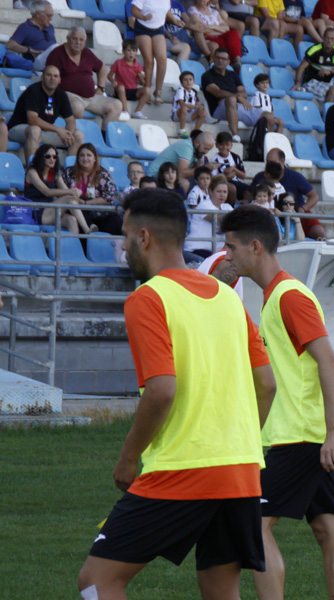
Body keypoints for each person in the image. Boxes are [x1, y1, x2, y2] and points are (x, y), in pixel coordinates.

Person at [77, 189, 276, 599]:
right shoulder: (225, 296)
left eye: (126, 235)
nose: (123, 245)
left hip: (184, 468)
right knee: (221, 588)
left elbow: (161, 391)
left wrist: (128, 457)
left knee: (97, 581)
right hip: (241, 468)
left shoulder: (148, 298)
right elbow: (266, 384)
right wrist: (237, 441)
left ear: (144, 238)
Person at [218, 205, 334, 600]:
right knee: (329, 529)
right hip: (310, 434)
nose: (227, 255)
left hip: (299, 437)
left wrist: (331, 433)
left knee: (254, 524)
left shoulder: (288, 296)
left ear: (254, 247)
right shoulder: (275, 294)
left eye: (231, 248)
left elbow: (327, 358)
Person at [8, 64, 83, 159]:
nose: (52, 78)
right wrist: (58, 129)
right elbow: (33, 120)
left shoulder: (61, 94)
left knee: (78, 135)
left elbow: (70, 120)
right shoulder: (33, 91)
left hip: (43, 132)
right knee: (35, 130)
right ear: (42, 77)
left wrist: (69, 134)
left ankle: (69, 171)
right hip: (19, 129)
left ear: (60, 80)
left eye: (56, 76)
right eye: (49, 75)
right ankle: (32, 170)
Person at [24, 143, 86, 233]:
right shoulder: (32, 172)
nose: (52, 159)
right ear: (41, 157)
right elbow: (47, 192)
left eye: (54, 157)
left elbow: (67, 191)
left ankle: (72, 245)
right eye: (48, 156)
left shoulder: (55, 174)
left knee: (71, 220)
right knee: (68, 198)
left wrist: (77, 192)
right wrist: (72, 192)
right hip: (36, 213)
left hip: (51, 212)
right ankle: (87, 230)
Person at [62, 143, 123, 235]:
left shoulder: (103, 174)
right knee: (78, 216)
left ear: (95, 158)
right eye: (82, 155)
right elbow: (62, 192)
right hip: (78, 209)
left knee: (116, 221)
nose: (85, 158)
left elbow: (109, 197)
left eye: (89, 155)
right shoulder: (69, 172)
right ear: (78, 158)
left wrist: (86, 203)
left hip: (99, 211)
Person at [201, 48, 256, 142]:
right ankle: (235, 135)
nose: (220, 60)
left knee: (268, 117)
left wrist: (240, 97)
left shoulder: (233, 74)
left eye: (223, 59)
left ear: (228, 61)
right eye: (218, 57)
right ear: (213, 59)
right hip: (218, 109)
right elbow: (218, 93)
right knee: (231, 100)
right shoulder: (207, 75)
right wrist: (238, 96)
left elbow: (244, 93)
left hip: (237, 105)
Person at [295, 28, 334, 103]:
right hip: (314, 82)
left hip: (330, 81)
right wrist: (297, 83)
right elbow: (301, 67)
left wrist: (331, 71)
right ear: (323, 38)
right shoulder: (315, 49)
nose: (329, 41)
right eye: (327, 38)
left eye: (332, 39)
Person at [147, 129, 214, 183]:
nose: (206, 152)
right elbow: (181, 173)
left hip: (170, 174)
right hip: (156, 175)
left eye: (208, 150)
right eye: (205, 148)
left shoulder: (199, 149)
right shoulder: (187, 147)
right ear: (197, 142)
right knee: (185, 183)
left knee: (207, 181)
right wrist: (204, 168)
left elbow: (200, 167)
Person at [6, 1, 55, 72]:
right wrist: (29, 50)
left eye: (51, 16)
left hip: (52, 62)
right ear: (38, 14)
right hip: (36, 61)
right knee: (55, 48)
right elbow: (10, 45)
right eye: (48, 16)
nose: (51, 19)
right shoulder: (25, 27)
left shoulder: (50, 27)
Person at [108, 39, 150, 120]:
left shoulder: (138, 65)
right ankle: (125, 111)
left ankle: (137, 111)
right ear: (123, 51)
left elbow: (142, 83)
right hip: (121, 91)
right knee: (121, 88)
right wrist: (113, 81)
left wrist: (141, 78)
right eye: (129, 50)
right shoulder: (118, 62)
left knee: (147, 90)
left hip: (133, 91)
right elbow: (109, 76)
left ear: (136, 52)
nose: (131, 53)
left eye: (134, 51)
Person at [172, 71, 207, 138]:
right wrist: (195, 107)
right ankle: (181, 131)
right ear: (182, 83)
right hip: (178, 114)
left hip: (190, 114)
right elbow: (182, 104)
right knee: (184, 108)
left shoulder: (194, 92)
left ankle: (195, 132)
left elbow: (198, 104)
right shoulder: (180, 90)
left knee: (203, 112)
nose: (188, 82)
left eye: (190, 80)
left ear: (193, 82)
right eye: (185, 80)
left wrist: (200, 108)